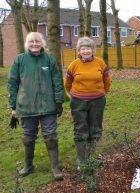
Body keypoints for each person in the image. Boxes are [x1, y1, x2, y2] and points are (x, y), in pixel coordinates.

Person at [7, 32, 64, 181]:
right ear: (27, 44)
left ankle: (55, 167)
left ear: (42, 43)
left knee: (51, 137)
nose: (34, 44)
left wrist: (58, 102)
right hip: (26, 106)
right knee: (28, 138)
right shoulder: (20, 60)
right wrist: (13, 106)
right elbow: (12, 83)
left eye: (37, 41)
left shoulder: (49, 60)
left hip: (48, 107)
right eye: (31, 42)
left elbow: (57, 82)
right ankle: (28, 166)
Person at [64, 37, 111, 170]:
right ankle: (81, 161)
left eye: (88, 48)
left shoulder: (100, 63)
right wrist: (75, 95)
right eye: (83, 48)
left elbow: (107, 81)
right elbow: (67, 84)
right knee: (80, 130)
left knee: (95, 130)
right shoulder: (74, 65)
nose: (85, 51)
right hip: (78, 102)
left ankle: (90, 158)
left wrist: (100, 93)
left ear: (93, 50)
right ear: (79, 50)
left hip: (97, 101)